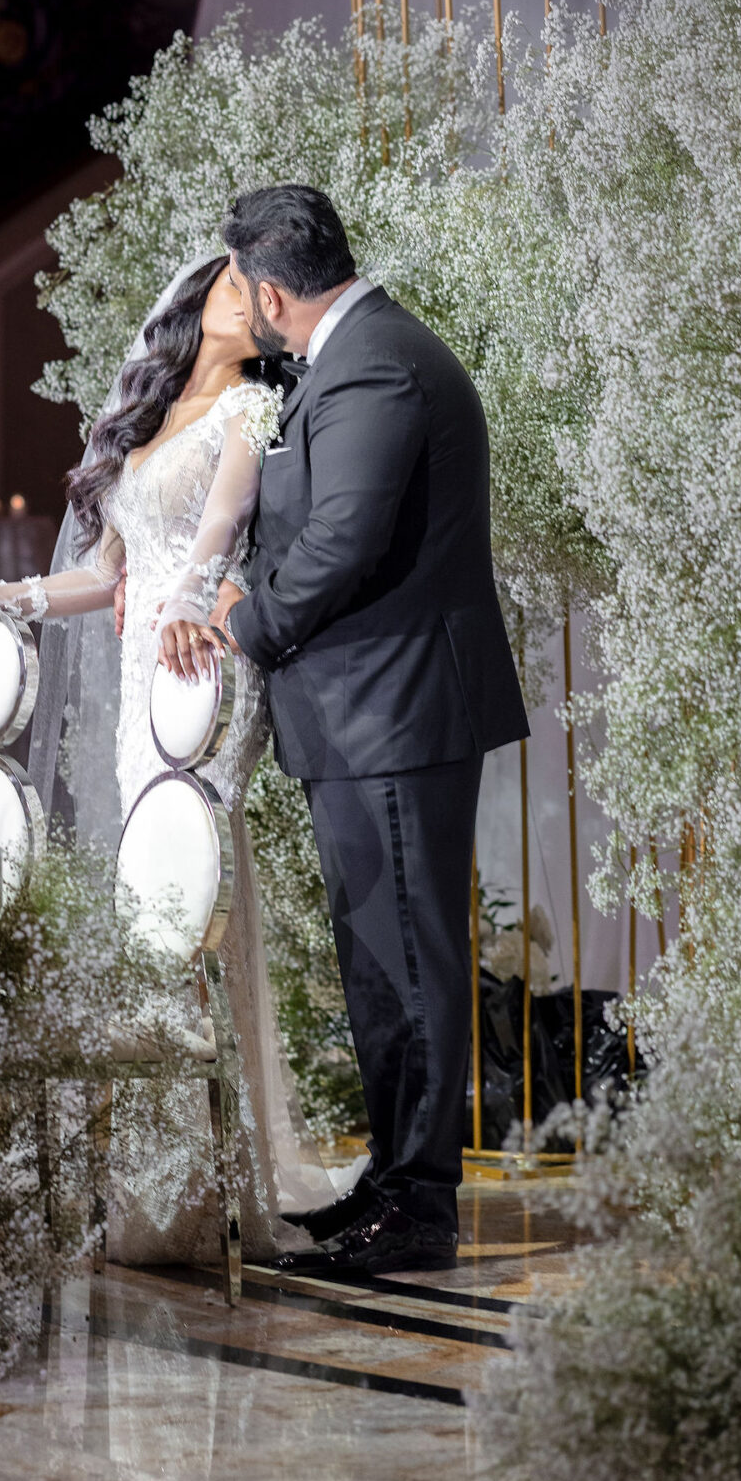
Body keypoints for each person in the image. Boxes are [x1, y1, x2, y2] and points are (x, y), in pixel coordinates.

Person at [0, 255, 345, 1265]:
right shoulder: (144, 418)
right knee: (146, 903)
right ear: (201, 295)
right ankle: (163, 1188)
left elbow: (220, 532)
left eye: (266, 291)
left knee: (192, 891)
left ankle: (213, 1191)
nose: (257, 301)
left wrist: (185, 604)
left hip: (199, 668)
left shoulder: (251, 408)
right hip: (139, 680)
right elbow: (99, 573)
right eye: (239, 284)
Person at [197, 183, 530, 1276]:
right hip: (369, 712)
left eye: (241, 288)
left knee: (408, 961)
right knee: (380, 961)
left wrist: (248, 624)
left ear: (270, 292)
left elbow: (343, 538)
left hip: (393, 707)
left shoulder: (375, 364)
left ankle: (419, 1209)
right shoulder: (353, 356)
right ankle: (394, 1181)